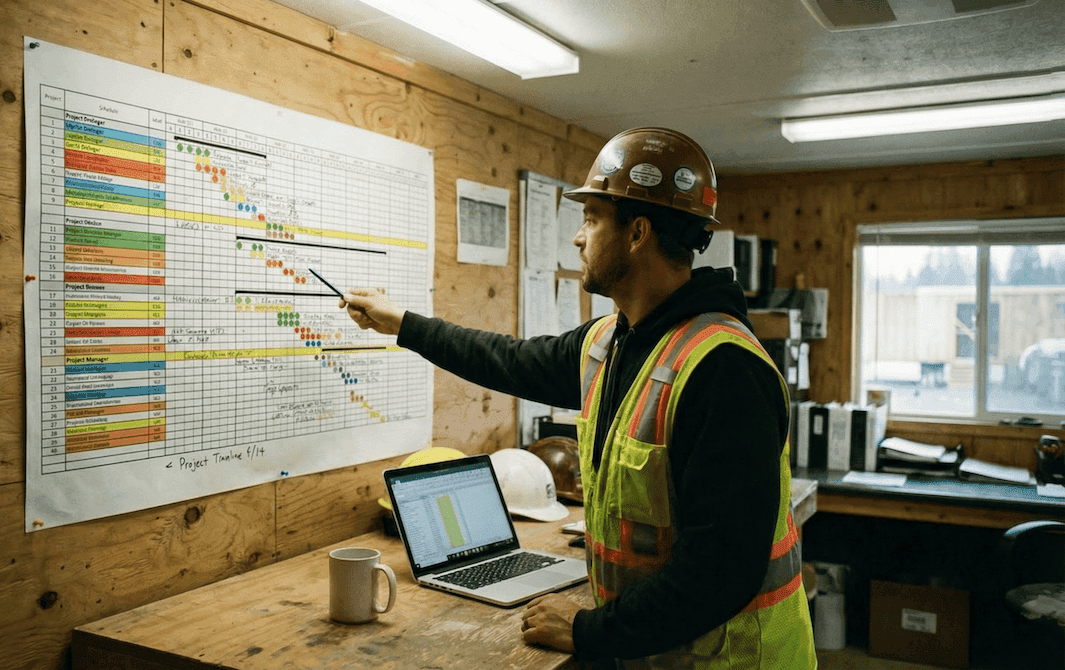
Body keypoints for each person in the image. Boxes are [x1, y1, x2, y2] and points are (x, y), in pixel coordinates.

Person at [340, 127, 817, 669]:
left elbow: (720, 571)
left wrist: (590, 631)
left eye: (591, 219)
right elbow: (507, 359)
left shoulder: (723, 368)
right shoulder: (610, 343)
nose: (577, 237)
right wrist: (402, 323)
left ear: (637, 232)